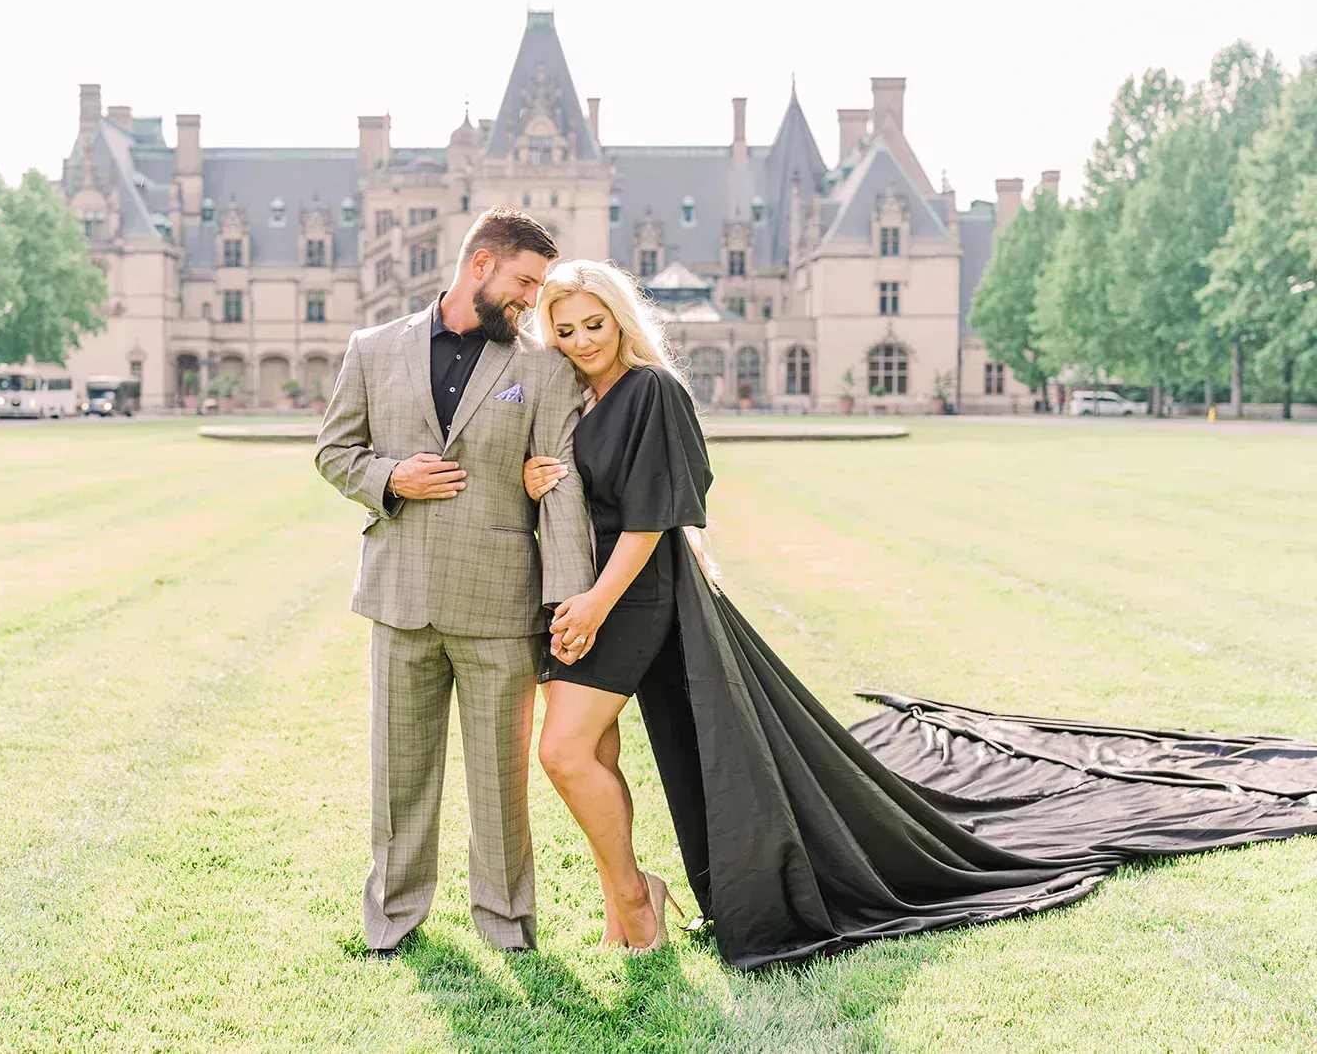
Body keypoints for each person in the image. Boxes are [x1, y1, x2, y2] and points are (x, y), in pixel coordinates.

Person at [524, 259, 1317, 968]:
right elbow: (581, 494)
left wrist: (597, 601)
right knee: (589, 749)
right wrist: (539, 477)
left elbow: (656, 515)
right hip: (594, 591)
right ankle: (628, 897)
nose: (584, 338)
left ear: (622, 318)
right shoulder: (578, 398)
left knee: (562, 751)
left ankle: (635, 898)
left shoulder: (651, 389)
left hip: (634, 590)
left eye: (596, 322)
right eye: (566, 329)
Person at [314, 208, 595, 956]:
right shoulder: (372, 349)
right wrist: (391, 476)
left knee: (500, 786)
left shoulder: (542, 366)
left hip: (500, 604)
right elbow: (335, 451)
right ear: (480, 265)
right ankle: (392, 920)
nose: (533, 301)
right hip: (399, 597)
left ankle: (506, 926)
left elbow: (559, 483)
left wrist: (567, 598)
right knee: (399, 773)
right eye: (525, 282)